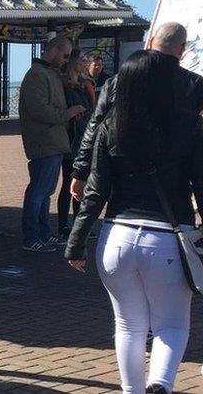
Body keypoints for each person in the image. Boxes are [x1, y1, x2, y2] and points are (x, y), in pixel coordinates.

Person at [65, 50, 202, 394]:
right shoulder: (189, 126)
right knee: (171, 324)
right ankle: (161, 383)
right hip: (168, 237)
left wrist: (76, 242)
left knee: (128, 325)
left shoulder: (112, 126)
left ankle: (132, 390)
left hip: (116, 237)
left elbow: (95, 192)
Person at [70, 22, 203, 201]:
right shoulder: (194, 84)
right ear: (182, 49)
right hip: (174, 175)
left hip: (125, 167)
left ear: (151, 42)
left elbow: (95, 126)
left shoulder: (117, 81)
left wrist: (80, 171)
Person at [18, 36, 86, 252]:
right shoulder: (37, 75)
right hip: (44, 141)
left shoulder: (48, 74)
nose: (66, 60)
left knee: (44, 191)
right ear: (54, 50)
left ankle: (44, 234)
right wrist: (68, 113)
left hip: (52, 142)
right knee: (39, 191)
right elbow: (40, 110)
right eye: (65, 55)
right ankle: (32, 237)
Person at [55, 51, 94, 238]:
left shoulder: (83, 84)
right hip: (73, 140)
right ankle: (64, 226)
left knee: (81, 184)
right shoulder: (66, 85)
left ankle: (79, 226)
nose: (85, 63)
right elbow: (71, 112)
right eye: (82, 60)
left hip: (83, 139)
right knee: (69, 184)